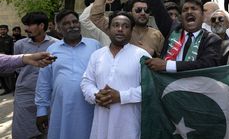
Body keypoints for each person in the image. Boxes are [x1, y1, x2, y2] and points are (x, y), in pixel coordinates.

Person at [81, 11, 150, 139]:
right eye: (116, 25)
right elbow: (86, 82)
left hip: (129, 125)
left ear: (131, 30)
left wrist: (121, 96)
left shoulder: (142, 55)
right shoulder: (97, 55)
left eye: (125, 26)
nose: (120, 29)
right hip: (101, 123)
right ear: (109, 28)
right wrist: (96, 95)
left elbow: (150, 88)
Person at [35, 10, 101, 139]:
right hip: (62, 107)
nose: (72, 25)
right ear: (59, 28)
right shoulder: (52, 50)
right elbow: (44, 82)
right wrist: (41, 110)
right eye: (66, 23)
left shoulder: (95, 46)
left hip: (90, 107)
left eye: (75, 21)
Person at [91, 0, 164, 57]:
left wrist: (152, 54)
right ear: (129, 13)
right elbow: (96, 16)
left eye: (146, 10)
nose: (143, 13)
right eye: (138, 10)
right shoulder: (120, 29)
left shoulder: (157, 35)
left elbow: (164, 60)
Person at [12, 12, 58, 139]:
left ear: (41, 25)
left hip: (49, 94)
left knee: (48, 129)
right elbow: (17, 68)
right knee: (23, 130)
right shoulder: (19, 45)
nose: (26, 29)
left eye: (29, 25)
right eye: (25, 25)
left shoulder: (56, 45)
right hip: (24, 93)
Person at [0, 24, 14, 95]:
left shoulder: (10, 39)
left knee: (10, 75)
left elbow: (12, 49)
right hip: (0, 59)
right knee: (1, 75)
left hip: (8, 58)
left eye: (4, 29)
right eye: (1, 29)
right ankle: (6, 89)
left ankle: (13, 89)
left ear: (7, 30)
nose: (2, 31)